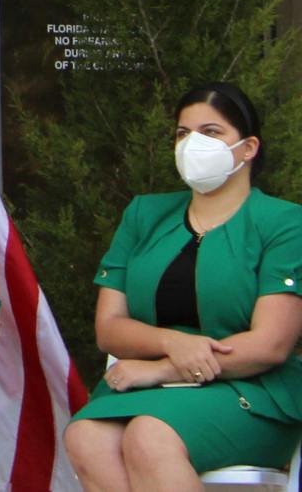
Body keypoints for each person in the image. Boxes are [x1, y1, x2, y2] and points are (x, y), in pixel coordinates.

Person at [64, 83, 302, 489]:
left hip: (253, 391)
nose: (193, 144)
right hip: (150, 390)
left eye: (211, 132)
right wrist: (173, 343)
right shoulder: (144, 214)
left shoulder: (284, 223)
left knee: (150, 437)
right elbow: (110, 328)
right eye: (182, 133)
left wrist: (163, 369)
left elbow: (271, 344)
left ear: (248, 148)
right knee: (85, 437)